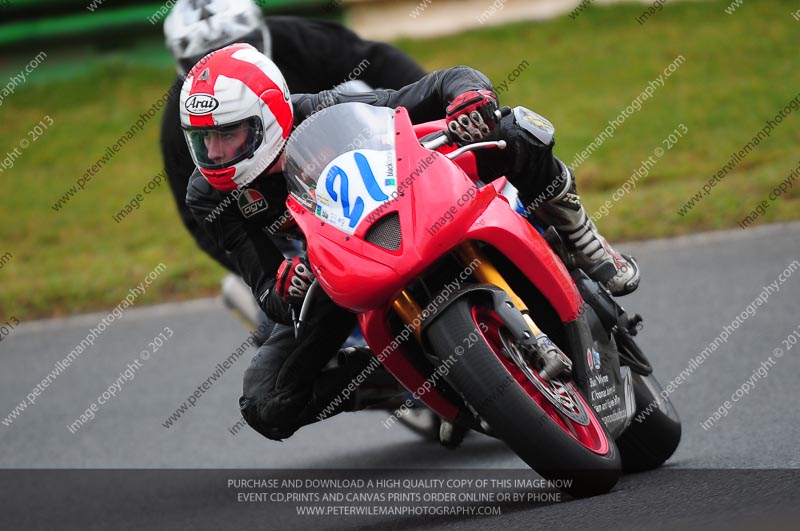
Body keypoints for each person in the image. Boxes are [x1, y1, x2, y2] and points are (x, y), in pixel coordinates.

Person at [182, 43, 640, 442]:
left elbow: (438, 86)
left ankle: (581, 235)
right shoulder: (209, 196)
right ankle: (404, 380)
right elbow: (264, 286)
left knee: (516, 129)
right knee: (267, 403)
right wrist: (285, 285)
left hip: (408, 210)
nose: (217, 155)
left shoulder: (326, 108)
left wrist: (470, 98)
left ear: (268, 115)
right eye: (204, 142)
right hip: (335, 272)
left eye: (229, 134)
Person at [160, 0, 426, 276]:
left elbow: (377, 63)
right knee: (283, 318)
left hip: (356, 170)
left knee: (358, 88)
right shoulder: (185, 121)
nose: (222, 69)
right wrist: (271, 270)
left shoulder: (301, 40)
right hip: (285, 238)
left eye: (236, 46)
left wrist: (433, 115)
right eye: (204, 59)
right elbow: (201, 221)